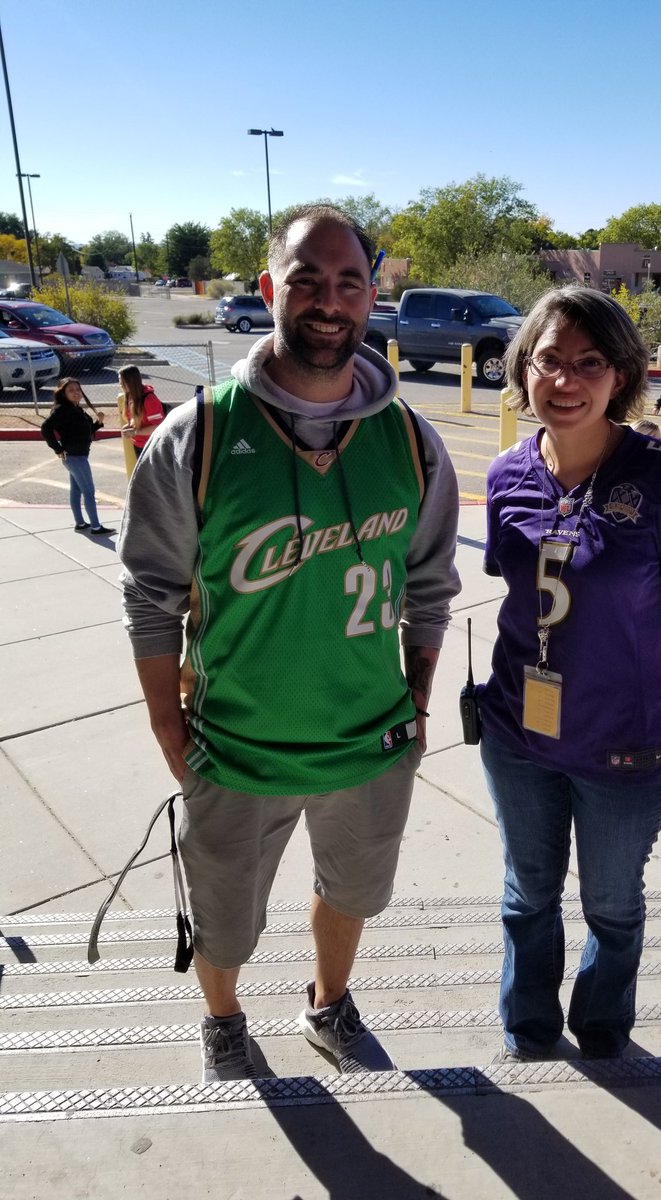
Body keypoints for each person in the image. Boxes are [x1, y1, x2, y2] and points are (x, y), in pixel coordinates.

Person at [118, 204, 461, 1082]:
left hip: (369, 743)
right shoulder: (198, 434)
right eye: (307, 279)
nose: (328, 301)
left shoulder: (411, 441)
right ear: (270, 287)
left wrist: (418, 704)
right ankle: (222, 1018)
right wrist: (166, 725)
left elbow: (429, 589)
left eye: (349, 282)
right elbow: (150, 597)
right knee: (225, 921)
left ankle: (327, 1002)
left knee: (351, 895)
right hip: (235, 748)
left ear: (372, 297)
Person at [477, 286, 661, 1063]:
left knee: (613, 906)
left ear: (620, 374)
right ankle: (528, 1029)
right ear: (523, 369)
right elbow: (523, 600)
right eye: (548, 359)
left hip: (625, 747)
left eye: (589, 362)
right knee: (527, 896)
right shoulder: (506, 475)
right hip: (517, 734)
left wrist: (628, 684)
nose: (565, 380)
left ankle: (600, 1029)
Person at [40, 377, 114, 536]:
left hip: (77, 456)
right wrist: (57, 449)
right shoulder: (62, 410)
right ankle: (96, 527)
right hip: (75, 457)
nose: (76, 393)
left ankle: (80, 524)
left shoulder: (75, 408)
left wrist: (98, 423)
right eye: (71, 390)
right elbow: (45, 428)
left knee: (76, 490)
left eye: (78, 389)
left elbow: (84, 432)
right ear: (63, 393)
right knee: (89, 491)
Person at [118, 364, 166, 457]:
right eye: (119, 381)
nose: (120, 385)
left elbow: (158, 427)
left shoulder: (149, 400)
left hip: (152, 447)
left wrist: (135, 432)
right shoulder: (130, 395)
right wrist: (129, 426)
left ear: (131, 381)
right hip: (139, 444)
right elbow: (136, 418)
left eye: (122, 382)